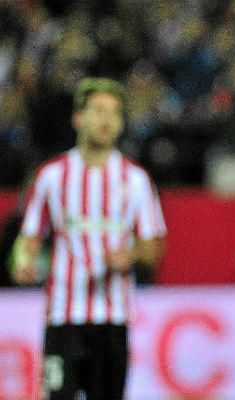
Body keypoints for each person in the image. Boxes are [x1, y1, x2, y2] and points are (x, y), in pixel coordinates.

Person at [10, 77, 167, 400]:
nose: (106, 119)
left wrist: (131, 256)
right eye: (98, 110)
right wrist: (24, 262)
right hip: (63, 316)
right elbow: (29, 236)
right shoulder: (51, 176)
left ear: (121, 123)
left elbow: (153, 245)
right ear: (78, 118)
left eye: (114, 113)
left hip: (113, 318)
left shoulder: (136, 180)